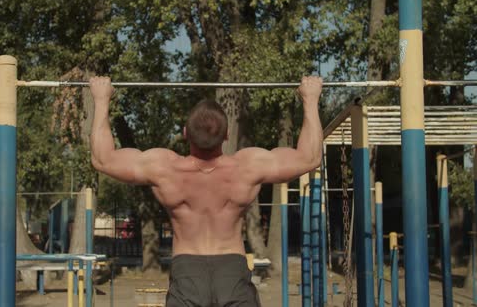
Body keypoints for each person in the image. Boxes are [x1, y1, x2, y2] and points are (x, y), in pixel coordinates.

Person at [90, 76, 323, 306]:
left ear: (185, 133)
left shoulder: (164, 168)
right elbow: (309, 158)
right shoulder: (248, 167)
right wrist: (310, 99)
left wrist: (101, 100)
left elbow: (103, 160)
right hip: (232, 272)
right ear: (227, 134)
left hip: (187, 274)